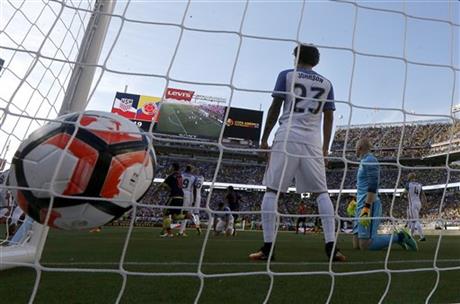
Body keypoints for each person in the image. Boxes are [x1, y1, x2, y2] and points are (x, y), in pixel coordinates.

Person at [249, 44, 345, 261]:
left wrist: (264, 138)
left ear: (296, 57)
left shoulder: (287, 75)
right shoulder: (327, 83)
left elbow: (275, 107)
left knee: (272, 190)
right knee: (322, 192)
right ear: (316, 61)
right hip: (312, 141)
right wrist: (325, 148)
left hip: (288, 135)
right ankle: (332, 248)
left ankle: (267, 248)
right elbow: (329, 117)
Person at [354, 138, 417, 251]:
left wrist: (366, 207)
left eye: (355, 148)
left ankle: (400, 236)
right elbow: (362, 186)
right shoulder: (363, 161)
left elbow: (373, 186)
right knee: (356, 245)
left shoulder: (370, 160)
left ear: (359, 148)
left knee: (365, 245)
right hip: (361, 203)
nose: (355, 151)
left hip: (369, 204)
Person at [152, 163, 185, 238]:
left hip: (174, 196)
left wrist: (155, 192)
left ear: (173, 168)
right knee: (175, 216)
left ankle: (169, 233)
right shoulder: (180, 176)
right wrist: (168, 189)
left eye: (170, 167)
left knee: (165, 214)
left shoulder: (171, 176)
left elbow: (162, 185)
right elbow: (172, 187)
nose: (169, 168)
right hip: (181, 196)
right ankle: (188, 216)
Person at [405, 173, 426, 241]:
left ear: (410, 177)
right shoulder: (419, 185)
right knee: (413, 220)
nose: (407, 177)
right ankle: (410, 236)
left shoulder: (408, 184)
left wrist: (401, 195)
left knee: (416, 220)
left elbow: (404, 192)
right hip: (418, 203)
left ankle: (422, 236)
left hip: (412, 204)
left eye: (408, 176)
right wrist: (425, 203)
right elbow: (423, 195)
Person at [177, 164, 196, 237]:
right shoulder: (193, 177)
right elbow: (193, 189)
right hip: (187, 194)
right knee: (185, 213)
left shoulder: (181, 175)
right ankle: (181, 231)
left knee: (174, 210)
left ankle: (167, 229)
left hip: (180, 192)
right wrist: (193, 199)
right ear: (190, 169)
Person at [192, 168, 205, 235]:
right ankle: (198, 226)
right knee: (196, 213)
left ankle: (182, 231)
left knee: (188, 213)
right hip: (199, 196)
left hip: (193, 195)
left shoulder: (193, 178)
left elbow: (193, 187)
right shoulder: (202, 178)